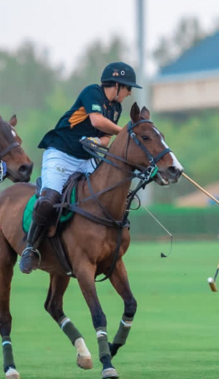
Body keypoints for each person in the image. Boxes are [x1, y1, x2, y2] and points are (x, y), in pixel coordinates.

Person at [18, 62, 142, 274]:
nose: (129, 93)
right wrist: (125, 132)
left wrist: (97, 141)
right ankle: (30, 247)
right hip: (61, 153)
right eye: (128, 88)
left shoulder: (116, 108)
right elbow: (97, 120)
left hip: (85, 157)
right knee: (49, 199)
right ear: (117, 85)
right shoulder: (92, 92)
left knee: (107, 192)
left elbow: (105, 138)